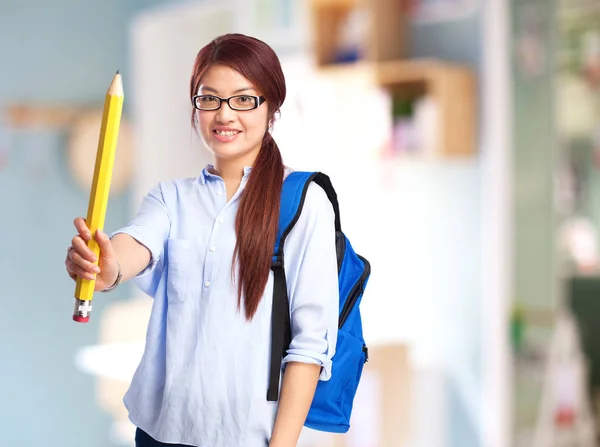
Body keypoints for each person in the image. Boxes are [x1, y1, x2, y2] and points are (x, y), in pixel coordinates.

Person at [64, 33, 339, 447]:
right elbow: (133, 247)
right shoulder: (170, 198)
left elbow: (310, 344)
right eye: (209, 98)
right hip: (158, 433)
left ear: (272, 108)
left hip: (246, 439)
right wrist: (105, 267)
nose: (224, 114)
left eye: (243, 99)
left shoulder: (303, 203)